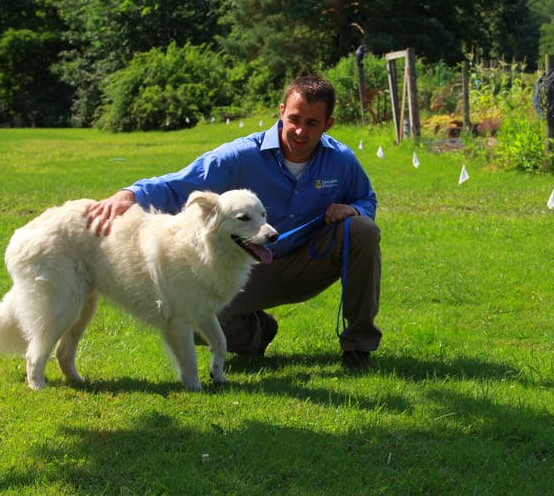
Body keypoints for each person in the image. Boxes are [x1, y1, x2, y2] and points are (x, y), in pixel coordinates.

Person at [86, 75, 381, 371]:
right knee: (189, 320)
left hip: (308, 262)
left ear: (328, 124)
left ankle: (358, 347)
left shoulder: (341, 160)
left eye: (312, 123)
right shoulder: (240, 155)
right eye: (294, 119)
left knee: (363, 229)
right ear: (281, 112)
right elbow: (181, 182)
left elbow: (366, 199)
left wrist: (353, 209)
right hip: (248, 269)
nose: (300, 131)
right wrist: (130, 194)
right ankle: (257, 332)